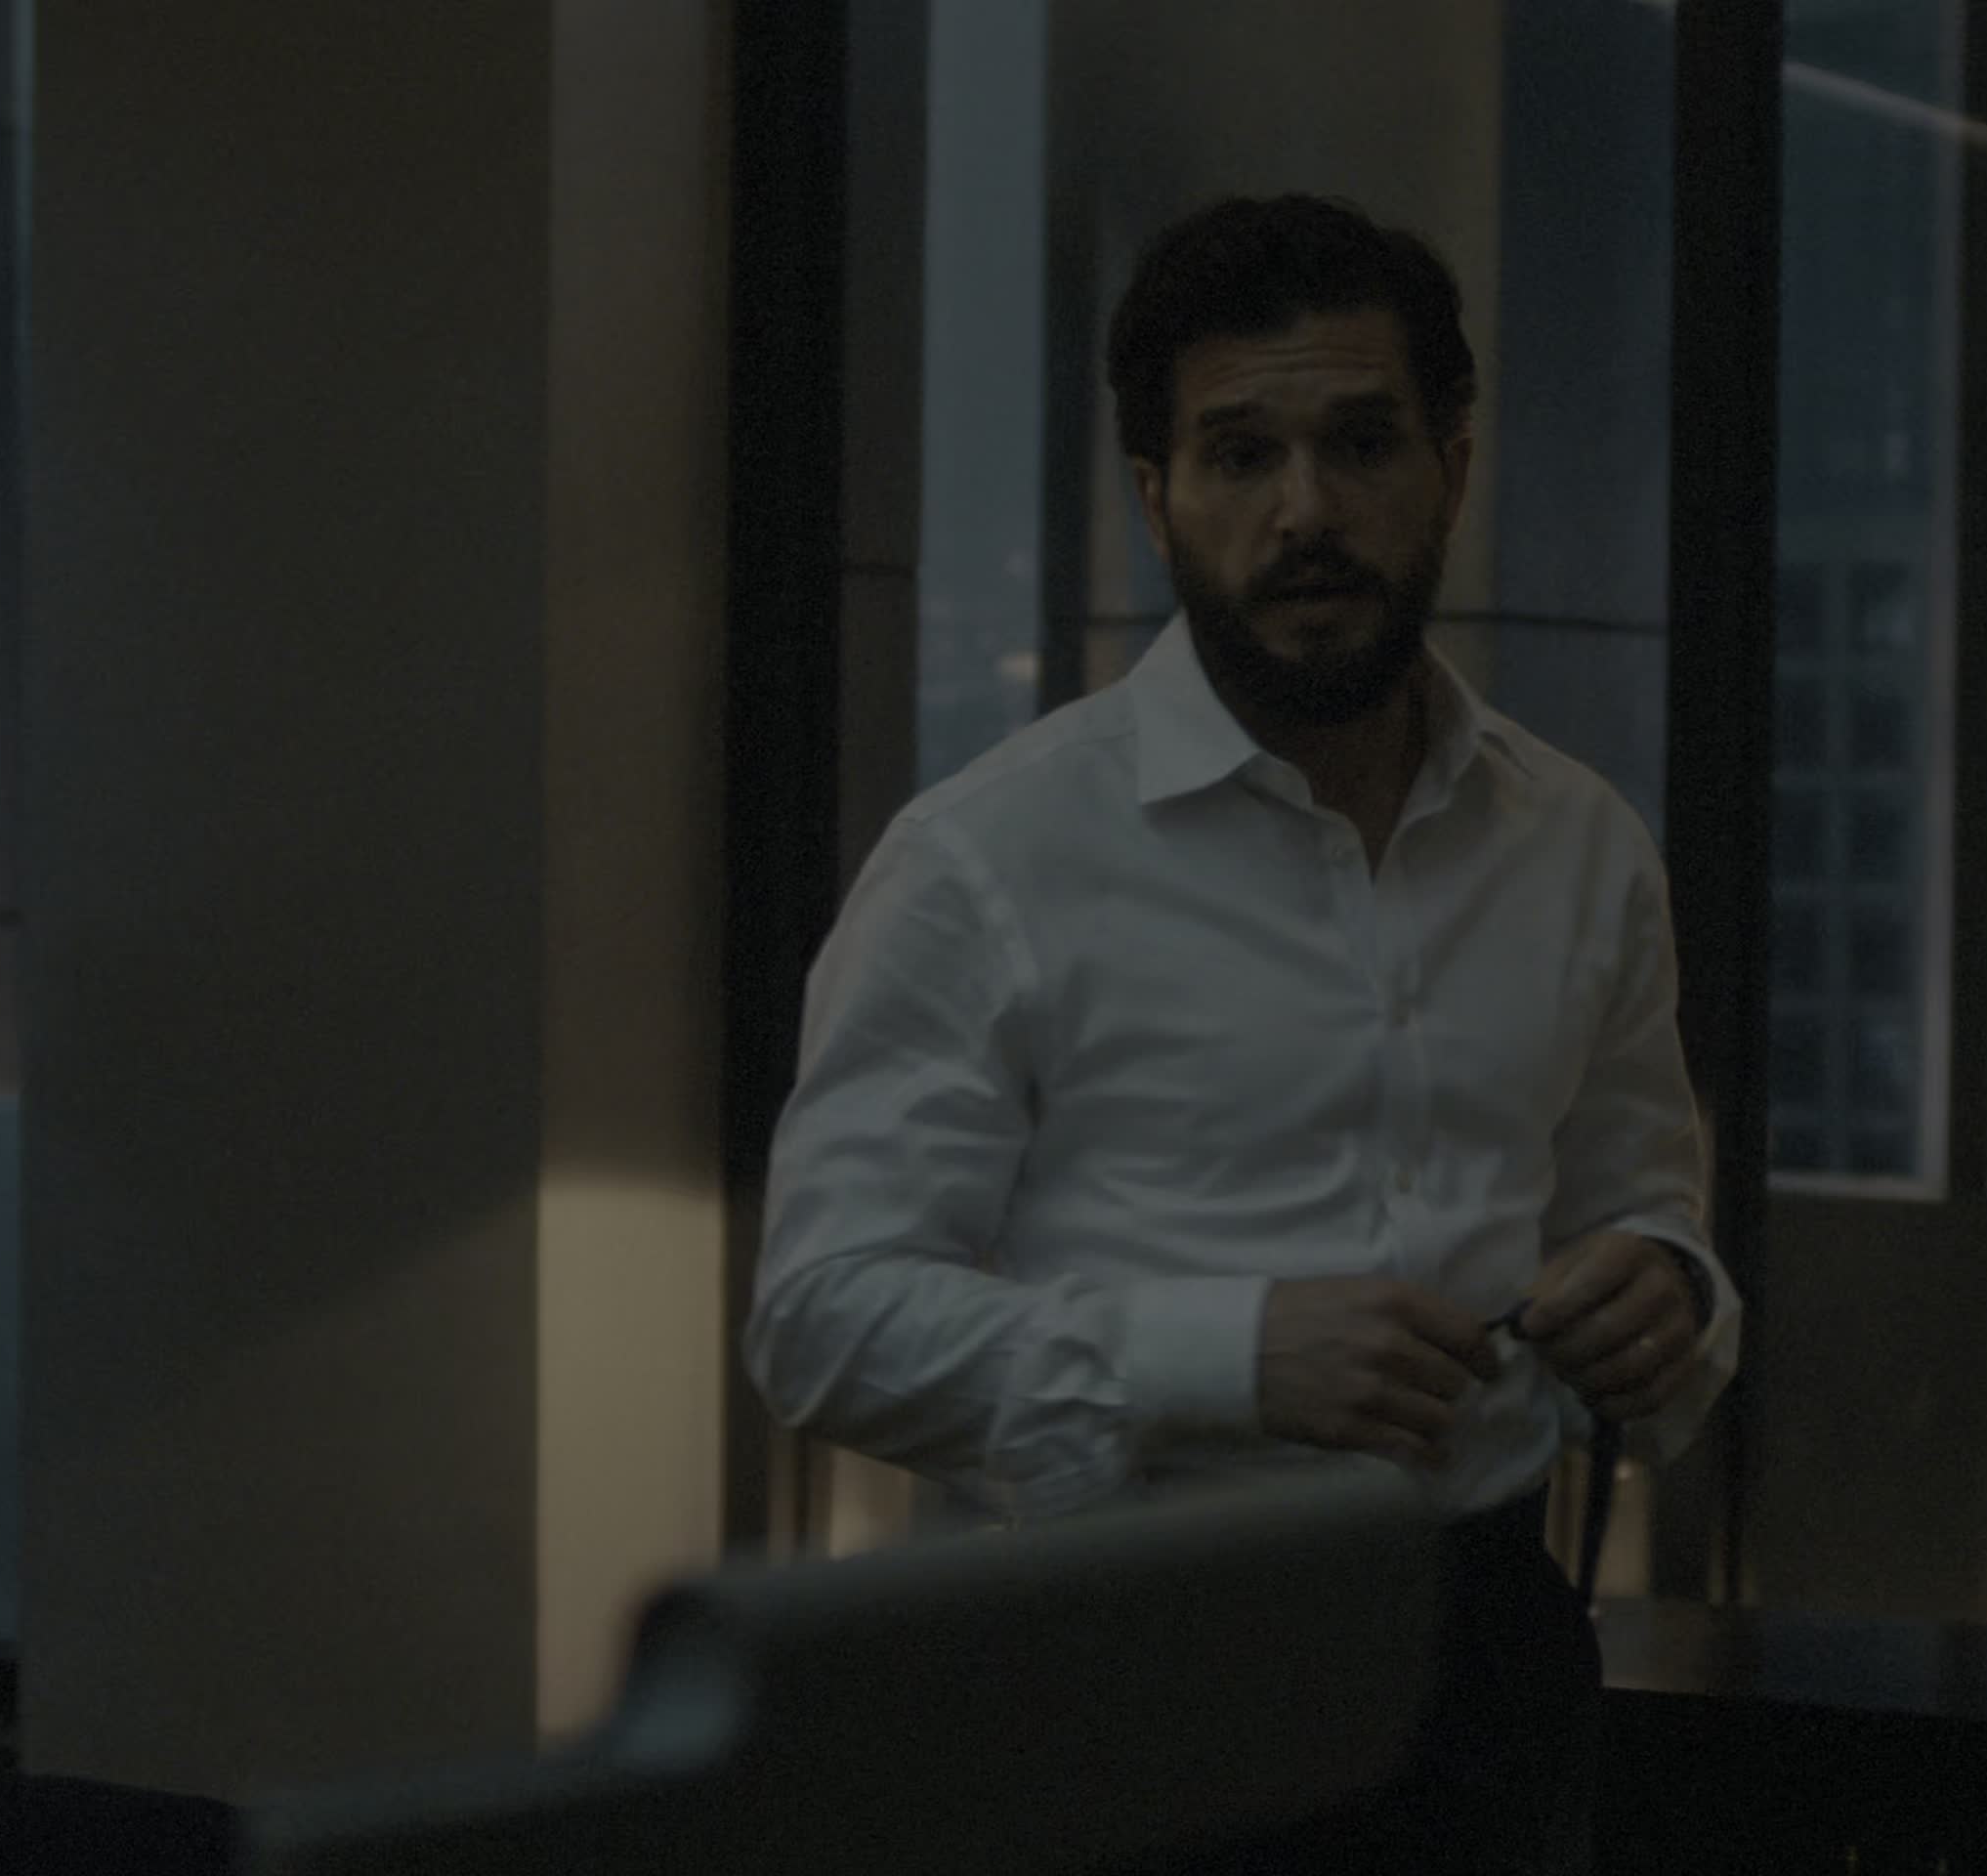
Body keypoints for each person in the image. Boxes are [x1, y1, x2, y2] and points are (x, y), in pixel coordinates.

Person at [743, 192, 1741, 1875]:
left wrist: (1672, 1292)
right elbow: (821, 1319)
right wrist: (1225, 1359)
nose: (1307, 512)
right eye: (1240, 455)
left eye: (1362, 444)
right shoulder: (990, 859)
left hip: (1492, 1660)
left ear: (1453, 468)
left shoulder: (1580, 843)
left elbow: (1643, 1210)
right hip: (1129, 1664)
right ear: (1157, 498)